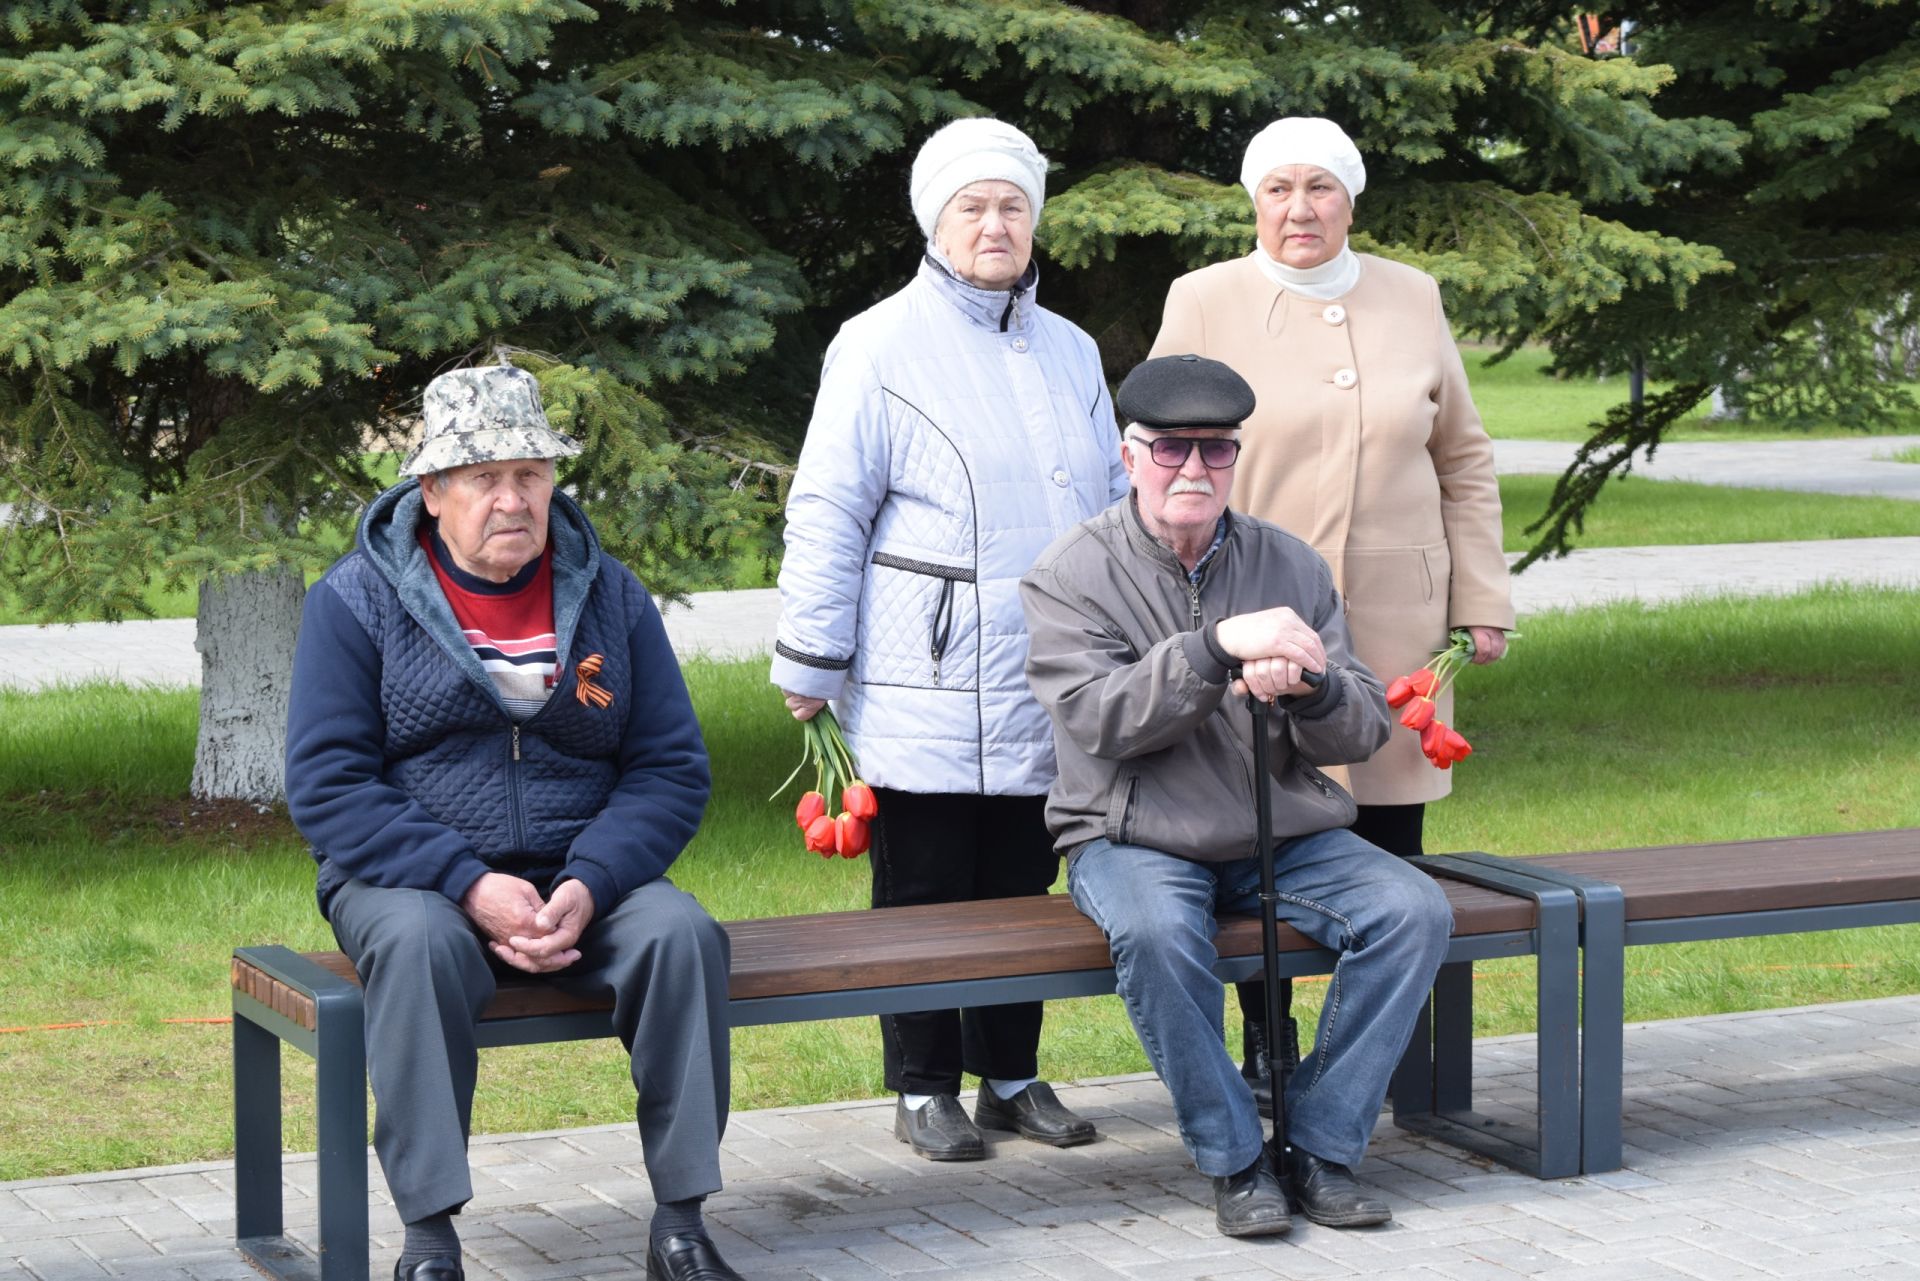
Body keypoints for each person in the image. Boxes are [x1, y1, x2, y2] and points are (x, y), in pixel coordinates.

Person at [284, 365, 744, 1281]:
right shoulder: (356, 598)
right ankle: (429, 1240)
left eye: (530, 474)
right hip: (412, 881)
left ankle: (682, 1224)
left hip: (585, 877)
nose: (512, 498)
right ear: (431, 492)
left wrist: (591, 881)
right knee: (419, 947)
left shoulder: (610, 593)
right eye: (484, 477)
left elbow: (668, 767)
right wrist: (468, 882)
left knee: (683, 935)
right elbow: (327, 783)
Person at [1020, 353, 1451, 1236]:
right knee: (1153, 931)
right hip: (1133, 835)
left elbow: (1363, 725)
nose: (1194, 469)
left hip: (1281, 830)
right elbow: (1098, 719)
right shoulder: (1071, 573)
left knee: (1413, 909)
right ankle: (1235, 1158)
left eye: (1216, 451)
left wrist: (1312, 687)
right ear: (1129, 453)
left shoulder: (1289, 563)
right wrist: (1213, 651)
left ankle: (1323, 1148)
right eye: (1171, 448)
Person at [771, 117, 1129, 1161]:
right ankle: (924, 1085)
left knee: (1023, 885)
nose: (995, 223)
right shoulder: (877, 342)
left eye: (1013, 205)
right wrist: (809, 657)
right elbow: (831, 504)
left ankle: (1012, 1076)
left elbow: (1112, 499)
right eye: (973, 205)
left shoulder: (1070, 349)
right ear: (936, 220)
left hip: (1046, 673)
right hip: (919, 672)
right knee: (924, 888)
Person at [1148, 116, 1514, 1106]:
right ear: (1253, 201)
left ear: (1351, 199)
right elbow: (1157, 457)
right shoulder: (1203, 299)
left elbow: (1463, 459)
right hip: (1255, 608)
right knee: (1260, 827)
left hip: (1399, 610)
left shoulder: (1413, 295)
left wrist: (1481, 596)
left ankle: (1383, 1058)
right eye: (1278, 189)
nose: (1298, 208)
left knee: (1390, 832)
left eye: (1320, 188)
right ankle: (1269, 1045)